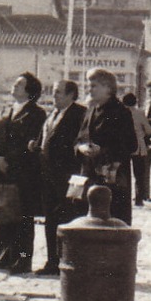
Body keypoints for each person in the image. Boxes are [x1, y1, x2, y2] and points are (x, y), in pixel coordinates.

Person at [0, 72, 45, 272]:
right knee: (3, 215)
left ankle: (22, 259)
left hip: (22, 174)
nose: (14, 86)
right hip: (2, 172)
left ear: (29, 91)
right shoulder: (6, 111)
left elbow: (32, 144)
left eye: (19, 85)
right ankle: (3, 256)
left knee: (23, 219)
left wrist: (9, 161)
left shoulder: (36, 114)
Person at [37, 78, 87, 276]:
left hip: (67, 176)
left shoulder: (79, 114)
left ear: (70, 95)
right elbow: (47, 137)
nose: (53, 95)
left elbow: (80, 142)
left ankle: (68, 260)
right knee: (50, 219)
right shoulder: (53, 113)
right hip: (48, 175)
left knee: (67, 218)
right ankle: (52, 261)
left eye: (58, 92)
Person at [76, 68, 137, 225]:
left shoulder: (120, 111)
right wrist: (81, 148)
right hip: (89, 176)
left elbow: (131, 145)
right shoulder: (91, 111)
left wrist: (102, 150)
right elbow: (78, 139)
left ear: (108, 88)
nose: (90, 89)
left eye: (94, 85)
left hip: (112, 178)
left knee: (112, 222)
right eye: (89, 85)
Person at [123, 91, 151, 207]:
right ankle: (139, 198)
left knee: (125, 173)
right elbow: (149, 130)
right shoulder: (139, 113)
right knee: (139, 174)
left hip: (124, 147)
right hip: (138, 146)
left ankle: (125, 197)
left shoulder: (120, 113)